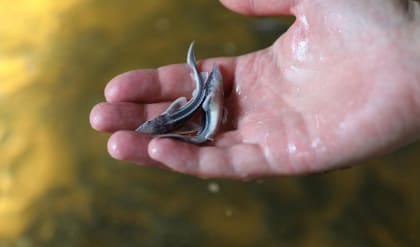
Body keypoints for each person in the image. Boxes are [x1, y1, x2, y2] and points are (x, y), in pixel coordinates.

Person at [90, 0, 420, 179]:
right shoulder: (199, 103)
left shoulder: (204, 97)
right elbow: (184, 102)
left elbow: (186, 101)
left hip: (203, 114)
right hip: (202, 116)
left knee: (194, 112)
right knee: (190, 115)